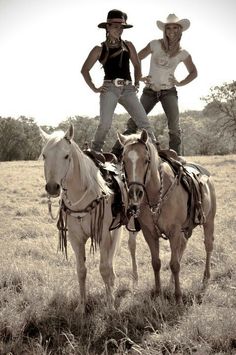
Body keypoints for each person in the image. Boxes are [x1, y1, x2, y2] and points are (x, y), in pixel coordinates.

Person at [112, 13, 197, 156]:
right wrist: (139, 77)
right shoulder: (155, 44)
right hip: (150, 91)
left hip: (169, 92)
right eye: (168, 28)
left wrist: (180, 83)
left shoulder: (183, 53)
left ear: (180, 30)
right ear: (164, 30)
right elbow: (136, 58)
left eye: (175, 28)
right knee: (134, 123)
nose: (171, 31)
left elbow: (194, 72)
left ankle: (175, 159)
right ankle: (115, 154)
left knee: (174, 128)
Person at [81, 9, 157, 156]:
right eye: (115, 26)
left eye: (121, 27)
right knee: (105, 124)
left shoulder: (128, 45)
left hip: (128, 89)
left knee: (144, 122)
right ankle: (95, 153)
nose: (119, 30)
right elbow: (84, 70)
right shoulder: (99, 48)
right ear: (108, 27)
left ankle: (155, 153)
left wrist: (136, 82)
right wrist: (95, 88)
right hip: (109, 88)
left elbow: (136, 64)